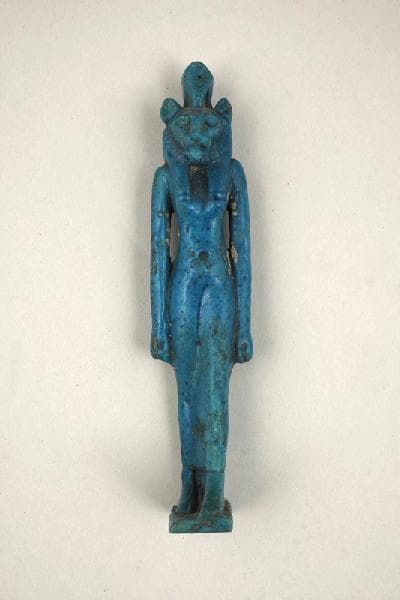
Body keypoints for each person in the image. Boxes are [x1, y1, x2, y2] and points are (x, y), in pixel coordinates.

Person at [150, 62, 252, 532]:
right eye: (186, 126)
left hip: (218, 287)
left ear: (222, 123)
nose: (196, 136)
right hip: (183, 286)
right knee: (187, 391)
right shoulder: (165, 178)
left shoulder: (231, 172)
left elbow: (243, 251)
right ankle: (189, 486)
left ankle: (214, 492)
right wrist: (158, 324)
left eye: (207, 125)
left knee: (214, 389)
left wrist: (245, 327)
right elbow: (158, 254)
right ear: (171, 125)